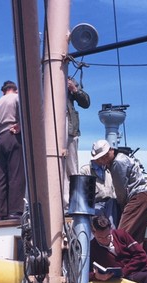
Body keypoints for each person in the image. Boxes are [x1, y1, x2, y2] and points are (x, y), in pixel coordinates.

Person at [90, 139, 147, 243]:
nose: (102, 160)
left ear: (110, 151)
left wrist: (122, 209)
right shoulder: (121, 159)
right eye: (100, 158)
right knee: (134, 240)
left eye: (103, 157)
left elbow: (121, 192)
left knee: (119, 238)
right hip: (145, 200)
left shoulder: (117, 163)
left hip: (137, 200)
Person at [0, 80, 26, 221]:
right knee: (16, 175)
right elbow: (25, 113)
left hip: (0, 140)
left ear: (3, 91)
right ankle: (15, 212)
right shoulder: (17, 98)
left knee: (1, 177)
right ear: (15, 89)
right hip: (13, 136)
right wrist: (20, 126)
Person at [64, 76, 90, 209]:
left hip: (69, 131)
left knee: (71, 169)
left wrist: (74, 89)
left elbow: (86, 102)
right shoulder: (41, 78)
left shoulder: (69, 79)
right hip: (48, 130)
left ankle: (71, 204)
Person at [79, 162, 119, 228]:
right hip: (95, 204)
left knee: (112, 228)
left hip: (111, 203)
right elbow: (82, 192)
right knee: (97, 228)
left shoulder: (108, 170)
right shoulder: (85, 170)